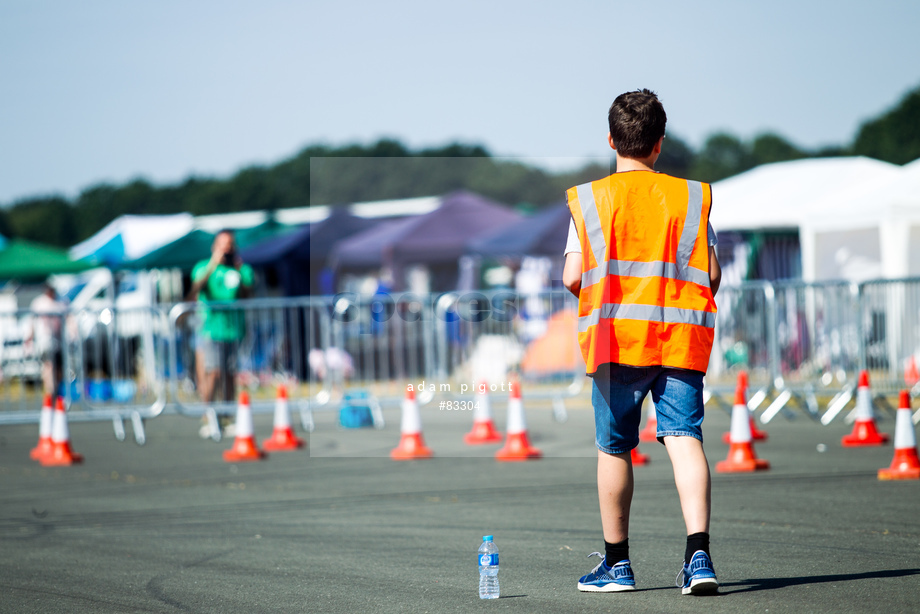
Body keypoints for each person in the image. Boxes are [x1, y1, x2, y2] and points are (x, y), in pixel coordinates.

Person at [563, 89, 722, 596]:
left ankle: (617, 565)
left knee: (614, 447)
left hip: (617, 342)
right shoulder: (690, 197)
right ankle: (699, 557)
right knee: (684, 440)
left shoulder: (590, 200)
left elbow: (572, 276)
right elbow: (711, 274)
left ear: (611, 139)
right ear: (659, 145)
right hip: (678, 341)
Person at [188, 230, 254, 408]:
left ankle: (227, 414)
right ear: (214, 247)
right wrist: (213, 264)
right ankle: (208, 413)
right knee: (214, 372)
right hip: (210, 328)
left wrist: (239, 271)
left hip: (234, 330)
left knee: (230, 375)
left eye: (230, 246)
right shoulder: (203, 267)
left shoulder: (242, 269)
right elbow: (195, 290)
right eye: (222, 246)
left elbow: (248, 296)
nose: (226, 250)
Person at [28, 284, 66, 396]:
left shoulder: (61, 301)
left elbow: (69, 320)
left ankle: (55, 392)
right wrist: (29, 337)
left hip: (59, 341)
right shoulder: (39, 303)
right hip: (45, 340)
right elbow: (32, 323)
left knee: (58, 368)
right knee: (48, 365)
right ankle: (51, 392)